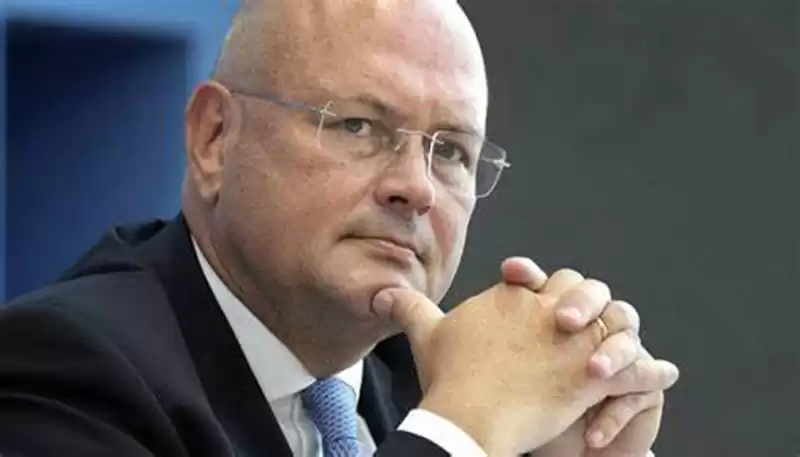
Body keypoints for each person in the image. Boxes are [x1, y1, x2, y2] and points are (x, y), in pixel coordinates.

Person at [0, 0, 679, 456]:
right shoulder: (61, 368)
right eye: (358, 125)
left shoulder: (421, 377)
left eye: (450, 151)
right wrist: (463, 431)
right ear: (214, 139)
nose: (416, 187)